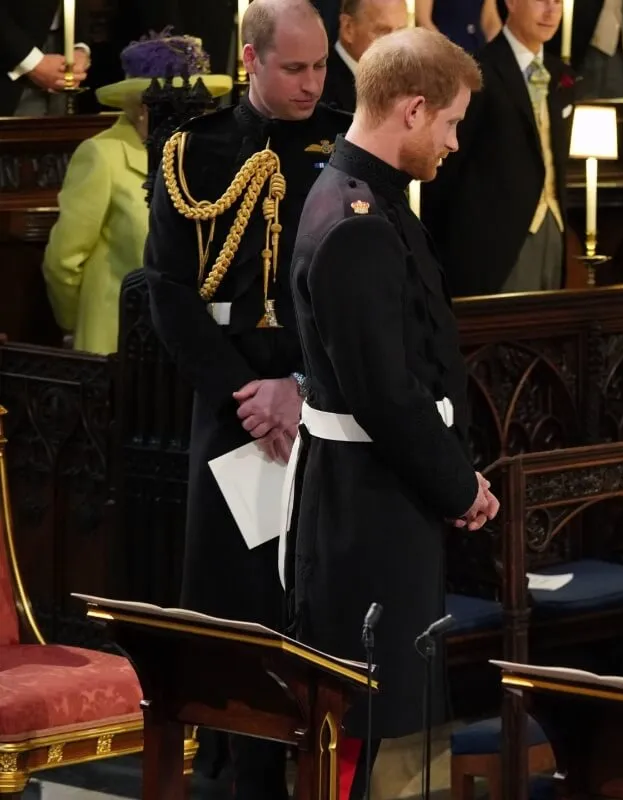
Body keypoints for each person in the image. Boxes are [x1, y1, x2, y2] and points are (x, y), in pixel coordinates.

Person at [284, 26, 497, 800]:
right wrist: (459, 484)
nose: (452, 141)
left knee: (406, 709)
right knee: (378, 723)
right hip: (367, 508)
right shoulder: (355, 222)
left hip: (385, 498)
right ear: (412, 110)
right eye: (449, 122)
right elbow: (385, 391)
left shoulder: (364, 198)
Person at [143, 1, 349, 796]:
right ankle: (228, 772)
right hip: (230, 407)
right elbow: (168, 290)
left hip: (318, 404)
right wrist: (245, 392)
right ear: (252, 58)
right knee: (232, 601)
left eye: (321, 66)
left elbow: (352, 294)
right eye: (293, 68)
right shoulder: (193, 149)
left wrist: (297, 389)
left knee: (309, 597)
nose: (310, 84)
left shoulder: (344, 146)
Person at [44, 32, 230, 355]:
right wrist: (75, 324)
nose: (194, 116)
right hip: (115, 343)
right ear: (143, 107)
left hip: (187, 349)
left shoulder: (205, 157)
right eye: (178, 106)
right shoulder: (102, 155)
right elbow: (63, 262)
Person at [425, 0, 575, 295]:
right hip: (494, 243)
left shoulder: (563, 75)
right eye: (541, 0)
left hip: (553, 229)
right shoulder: (478, 72)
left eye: (558, 1)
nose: (551, 10)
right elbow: (449, 169)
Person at [325, 0, 408, 111]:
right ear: (348, 28)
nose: (396, 45)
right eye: (382, 31)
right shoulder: (321, 89)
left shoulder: (409, 79)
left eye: (401, 31)